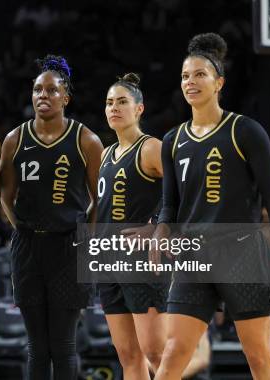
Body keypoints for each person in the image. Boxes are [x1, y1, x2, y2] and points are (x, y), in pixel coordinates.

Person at [151, 33, 270, 379]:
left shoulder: (245, 131)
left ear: (219, 83)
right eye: (186, 76)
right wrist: (160, 231)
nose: (191, 82)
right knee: (173, 354)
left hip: (242, 254)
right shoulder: (173, 141)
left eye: (200, 75)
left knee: (258, 356)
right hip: (194, 255)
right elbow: (169, 205)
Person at [0, 55, 103, 379]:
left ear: (66, 98)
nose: (43, 96)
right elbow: (5, 196)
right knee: (37, 347)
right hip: (28, 247)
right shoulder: (15, 139)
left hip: (69, 248)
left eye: (51, 90)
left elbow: (100, 197)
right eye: (37, 90)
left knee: (63, 344)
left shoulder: (86, 139)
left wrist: (83, 234)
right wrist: (23, 230)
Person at [96, 73, 167, 379]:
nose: (115, 107)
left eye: (122, 102)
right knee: (128, 355)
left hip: (141, 261)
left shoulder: (151, 147)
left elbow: (188, 190)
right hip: (108, 260)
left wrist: (158, 226)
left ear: (139, 108)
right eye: (110, 102)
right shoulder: (105, 154)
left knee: (157, 353)